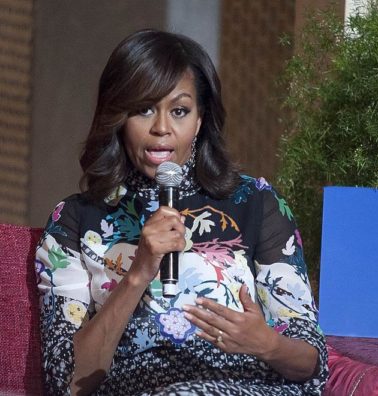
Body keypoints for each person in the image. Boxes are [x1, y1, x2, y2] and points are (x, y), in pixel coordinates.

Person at [35, 29, 328, 395]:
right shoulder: (76, 221)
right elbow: (66, 383)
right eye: (143, 109)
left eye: (179, 111)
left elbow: (313, 363)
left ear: (201, 119)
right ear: (118, 117)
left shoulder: (255, 203)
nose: (161, 128)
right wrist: (138, 273)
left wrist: (268, 344)